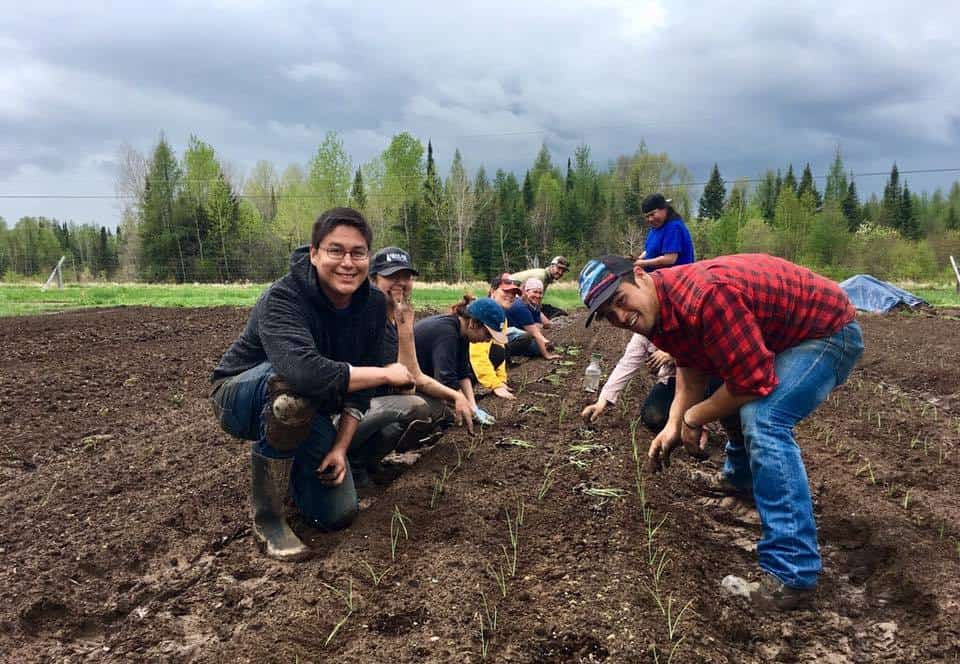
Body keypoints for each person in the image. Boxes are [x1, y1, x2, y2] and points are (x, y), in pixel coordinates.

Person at [578, 254, 863, 610]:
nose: (620, 317)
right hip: (785, 336)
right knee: (728, 384)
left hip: (827, 332)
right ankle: (741, 480)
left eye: (620, 301)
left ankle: (792, 574)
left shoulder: (705, 296)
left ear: (640, 275)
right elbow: (693, 365)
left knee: (764, 417)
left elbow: (752, 381)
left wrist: (695, 417)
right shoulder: (661, 310)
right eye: (608, 315)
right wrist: (673, 424)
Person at [210, 208, 415, 561]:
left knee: (337, 514)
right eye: (336, 251)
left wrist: (339, 447)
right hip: (239, 394)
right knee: (289, 393)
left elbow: (359, 392)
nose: (347, 262)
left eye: (358, 252)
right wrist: (385, 373)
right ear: (314, 253)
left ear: (368, 257)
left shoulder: (372, 307)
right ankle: (269, 519)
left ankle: (293, 471)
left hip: (309, 402)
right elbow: (304, 371)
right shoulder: (284, 296)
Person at [349, 247, 475, 487]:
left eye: (406, 277)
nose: (401, 283)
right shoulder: (360, 314)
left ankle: (368, 460)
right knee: (413, 405)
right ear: (373, 279)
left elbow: (414, 375)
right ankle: (353, 464)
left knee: (437, 407)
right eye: (391, 277)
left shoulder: (401, 315)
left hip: (376, 403)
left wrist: (457, 396)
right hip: (349, 407)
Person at [580, 333, 709, 448]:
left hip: (707, 375)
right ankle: (683, 424)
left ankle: (702, 419)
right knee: (653, 417)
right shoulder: (643, 334)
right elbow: (626, 364)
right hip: (674, 379)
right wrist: (601, 402)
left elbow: (705, 347)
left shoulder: (683, 317)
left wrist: (673, 354)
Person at [414, 296, 507, 426]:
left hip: (426, 379)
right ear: (474, 323)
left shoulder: (462, 333)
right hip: (407, 386)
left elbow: (462, 372)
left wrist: (473, 407)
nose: (488, 340)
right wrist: (462, 401)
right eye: (488, 334)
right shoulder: (447, 334)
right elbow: (446, 378)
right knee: (442, 415)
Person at [470, 273, 519, 400]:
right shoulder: (484, 314)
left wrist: (502, 380)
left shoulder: (501, 316)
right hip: (459, 363)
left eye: (513, 293)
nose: (511, 296)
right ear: (493, 291)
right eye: (506, 291)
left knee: (500, 351)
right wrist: (495, 385)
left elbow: (499, 348)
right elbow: (477, 354)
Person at [633, 193, 695, 272]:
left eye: (652, 214)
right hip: (655, 276)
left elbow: (670, 259)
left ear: (664, 209)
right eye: (647, 216)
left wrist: (642, 263)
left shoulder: (674, 227)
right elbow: (650, 250)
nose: (650, 219)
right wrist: (639, 258)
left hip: (674, 278)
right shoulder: (656, 227)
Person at [506, 278, 560, 360]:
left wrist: (537, 328)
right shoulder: (520, 306)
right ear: (526, 291)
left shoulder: (534, 305)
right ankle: (507, 355)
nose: (538, 296)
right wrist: (547, 355)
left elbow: (543, 325)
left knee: (544, 345)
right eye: (534, 292)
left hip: (520, 333)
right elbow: (536, 333)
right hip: (507, 336)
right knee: (538, 348)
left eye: (540, 293)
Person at [511, 255, 570, 321]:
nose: (560, 272)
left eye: (563, 271)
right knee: (555, 313)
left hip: (516, 300)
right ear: (552, 266)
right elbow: (527, 298)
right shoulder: (541, 276)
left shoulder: (546, 277)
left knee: (555, 312)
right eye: (559, 268)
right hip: (510, 300)